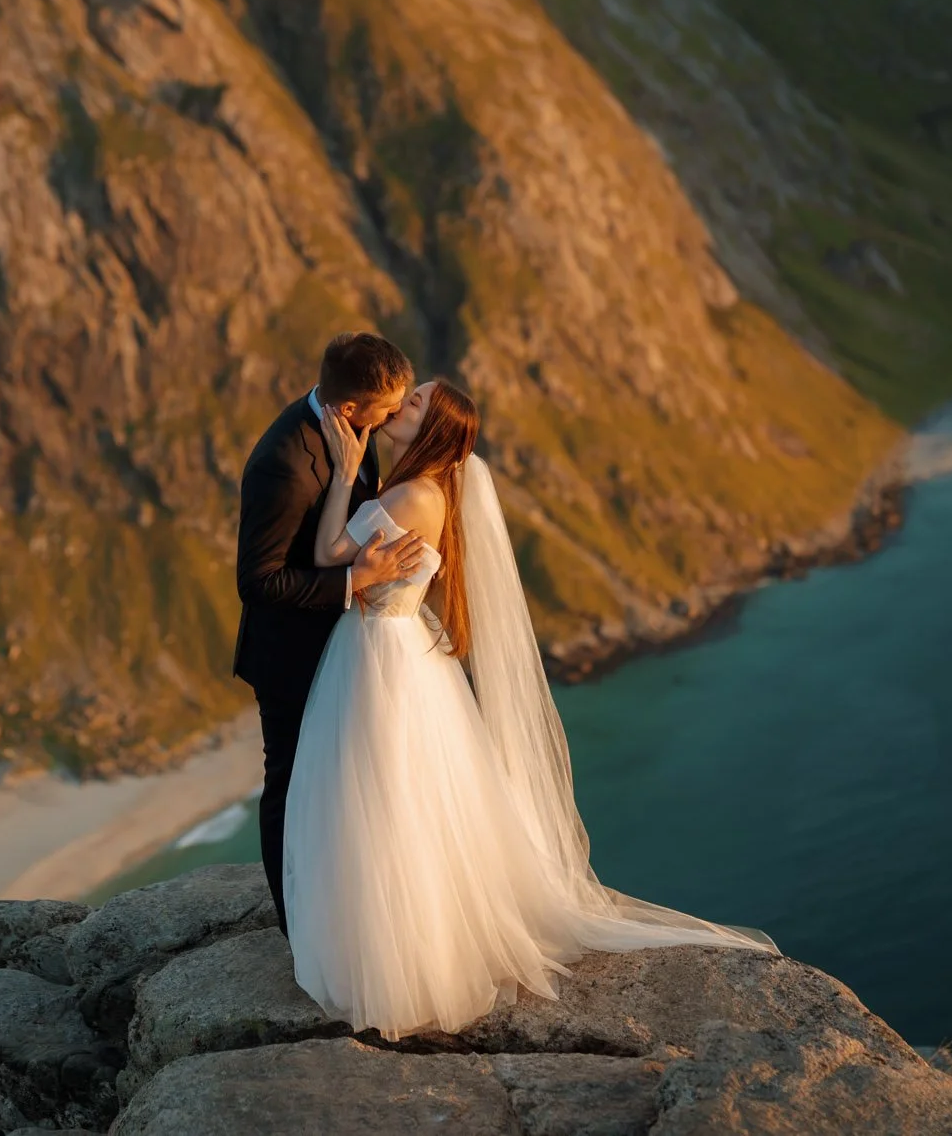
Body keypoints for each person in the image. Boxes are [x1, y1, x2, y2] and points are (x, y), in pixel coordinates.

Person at [281, 378, 775, 1039]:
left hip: (379, 654)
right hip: (394, 651)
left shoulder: (411, 494)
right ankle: (401, 934)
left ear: (434, 431)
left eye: (418, 402)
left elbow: (326, 557)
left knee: (377, 797)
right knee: (401, 799)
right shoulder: (429, 490)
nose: (403, 404)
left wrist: (344, 473)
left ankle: (395, 953)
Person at [232, 331, 427, 935]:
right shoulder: (284, 464)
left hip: (343, 652)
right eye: (387, 407)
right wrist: (354, 581)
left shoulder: (356, 436)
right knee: (290, 791)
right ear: (349, 408)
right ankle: (299, 931)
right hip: (290, 657)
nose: (396, 414)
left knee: (342, 787)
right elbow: (259, 582)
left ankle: (344, 914)